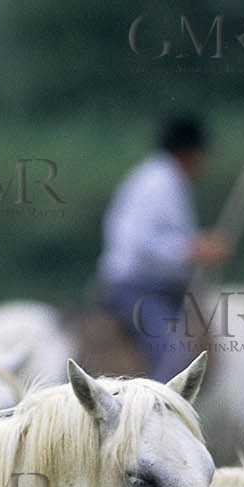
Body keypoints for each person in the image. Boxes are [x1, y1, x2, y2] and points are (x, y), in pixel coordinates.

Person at [95, 117, 233, 379]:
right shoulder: (157, 183)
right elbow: (140, 243)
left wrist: (195, 248)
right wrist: (194, 250)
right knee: (175, 355)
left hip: (160, 288)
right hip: (137, 288)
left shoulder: (164, 180)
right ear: (189, 153)